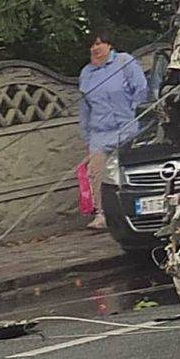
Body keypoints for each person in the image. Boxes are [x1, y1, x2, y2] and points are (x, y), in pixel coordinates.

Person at [78, 30, 148, 230]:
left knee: (130, 170)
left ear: (109, 45)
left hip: (128, 127)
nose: (95, 48)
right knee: (97, 173)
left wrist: (136, 113)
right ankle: (102, 214)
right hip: (100, 132)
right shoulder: (87, 73)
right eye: (92, 45)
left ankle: (137, 210)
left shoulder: (124, 62)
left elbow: (140, 89)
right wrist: (87, 138)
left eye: (99, 43)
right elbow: (85, 108)